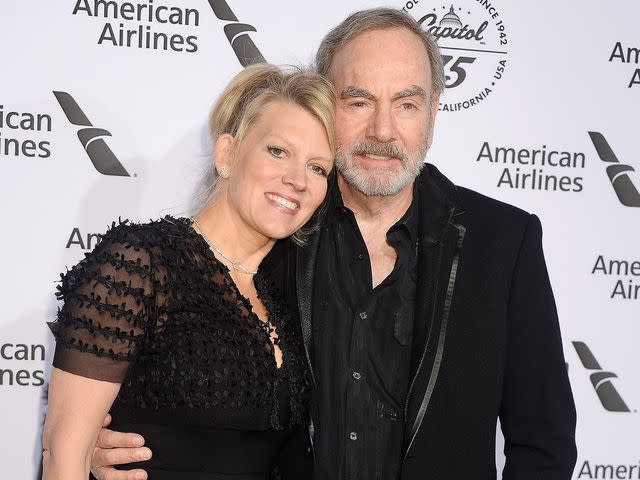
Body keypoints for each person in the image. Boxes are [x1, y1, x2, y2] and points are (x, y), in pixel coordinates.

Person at [88, 8, 577, 480]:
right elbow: (203, 386)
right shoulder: (275, 228)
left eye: (406, 104)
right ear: (326, 106)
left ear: (433, 111)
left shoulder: (503, 243)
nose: (382, 131)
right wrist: (96, 440)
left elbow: (543, 441)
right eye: (359, 102)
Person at [42, 63, 336, 480]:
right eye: (278, 151)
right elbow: (64, 453)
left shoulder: (288, 294)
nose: (298, 180)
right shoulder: (141, 264)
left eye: (318, 168)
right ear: (227, 154)